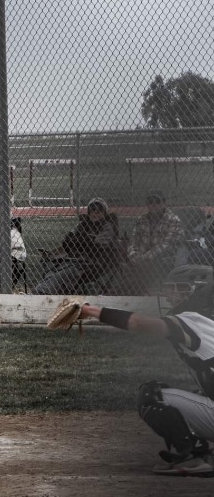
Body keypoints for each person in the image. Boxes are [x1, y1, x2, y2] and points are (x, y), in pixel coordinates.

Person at [66, 266, 214, 476]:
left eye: (180, 288)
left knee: (152, 395)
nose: (171, 295)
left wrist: (90, 311)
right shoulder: (207, 320)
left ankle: (195, 455)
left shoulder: (193, 319)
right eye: (170, 289)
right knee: (198, 392)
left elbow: (138, 322)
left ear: (200, 290)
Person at [32, 198, 126, 295]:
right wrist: (80, 241)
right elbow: (68, 240)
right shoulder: (83, 224)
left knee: (66, 272)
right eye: (92, 209)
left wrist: (81, 241)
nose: (95, 212)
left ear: (104, 213)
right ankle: (46, 292)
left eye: (99, 210)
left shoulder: (107, 226)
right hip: (75, 258)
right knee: (52, 269)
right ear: (89, 212)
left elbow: (98, 246)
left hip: (92, 262)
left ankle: (41, 292)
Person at [123, 190, 184, 295]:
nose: (154, 204)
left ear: (164, 203)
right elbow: (133, 240)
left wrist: (145, 257)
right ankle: (136, 292)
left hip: (162, 258)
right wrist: (133, 255)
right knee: (126, 264)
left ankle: (135, 292)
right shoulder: (141, 219)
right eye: (150, 202)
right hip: (140, 257)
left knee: (137, 273)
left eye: (157, 201)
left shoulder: (173, 220)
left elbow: (166, 245)